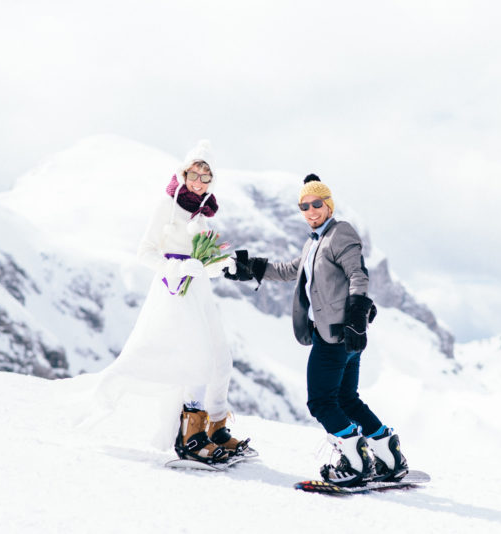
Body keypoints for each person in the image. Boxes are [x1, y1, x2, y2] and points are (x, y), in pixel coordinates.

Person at [224, 174, 408, 486]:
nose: (310, 210)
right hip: (343, 336)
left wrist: (357, 315)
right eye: (304, 206)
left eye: (317, 204)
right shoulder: (315, 242)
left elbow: (358, 274)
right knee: (348, 399)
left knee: (321, 402)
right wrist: (252, 268)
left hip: (338, 334)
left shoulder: (340, 233)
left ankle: (355, 462)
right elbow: (290, 271)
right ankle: (389, 458)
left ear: (329, 205)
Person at [103, 140, 248, 464]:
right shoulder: (168, 204)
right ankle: (190, 437)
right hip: (173, 289)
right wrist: (177, 268)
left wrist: (218, 266)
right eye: (194, 172)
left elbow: (201, 258)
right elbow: (145, 251)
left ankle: (215, 429)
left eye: (206, 176)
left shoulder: (203, 209)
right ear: (184, 172)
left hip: (197, 289)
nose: (198, 180)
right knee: (198, 359)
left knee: (221, 359)